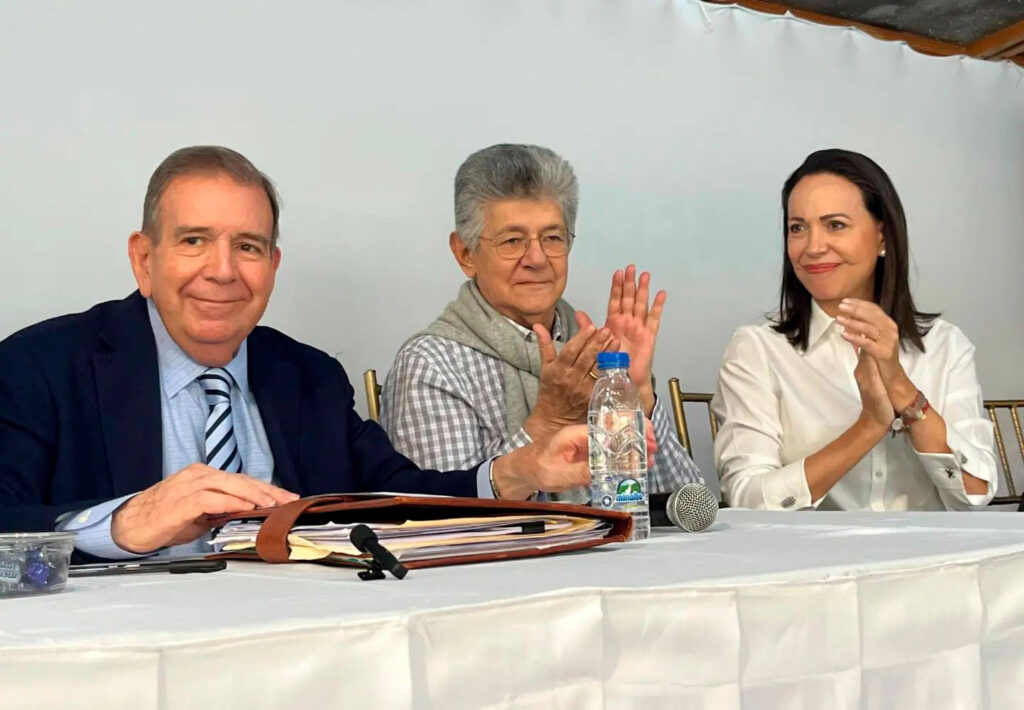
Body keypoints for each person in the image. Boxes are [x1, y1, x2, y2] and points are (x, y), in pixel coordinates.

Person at [0, 146, 630, 561]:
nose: (223, 271)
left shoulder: (306, 376)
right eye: (195, 241)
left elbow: (395, 493)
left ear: (272, 266)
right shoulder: (40, 368)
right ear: (144, 258)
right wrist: (122, 524)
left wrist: (519, 470)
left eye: (248, 247)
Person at [381, 144, 701, 503]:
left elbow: (684, 506)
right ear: (465, 254)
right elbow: (445, 520)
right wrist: (549, 420)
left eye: (552, 238)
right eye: (513, 241)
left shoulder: (594, 351)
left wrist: (635, 395)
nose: (536, 258)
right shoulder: (433, 362)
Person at [712, 149, 996, 511]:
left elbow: (974, 497)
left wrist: (903, 391)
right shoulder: (757, 349)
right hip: (813, 564)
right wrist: (869, 426)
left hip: (929, 562)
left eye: (835, 225)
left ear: (882, 236)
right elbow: (748, 501)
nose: (813, 247)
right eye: (798, 228)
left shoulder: (946, 345)